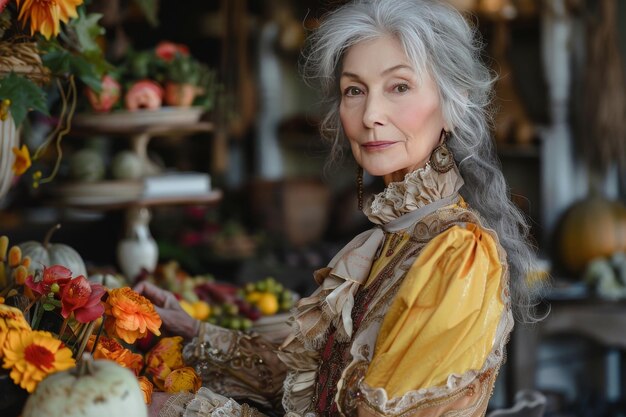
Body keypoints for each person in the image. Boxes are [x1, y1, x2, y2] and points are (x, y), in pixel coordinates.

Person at [135, 0, 543, 415]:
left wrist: (179, 411)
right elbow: (317, 389)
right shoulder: (392, 237)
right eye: (354, 90)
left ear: (454, 101)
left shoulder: (456, 255)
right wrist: (195, 332)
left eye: (399, 87)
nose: (370, 114)